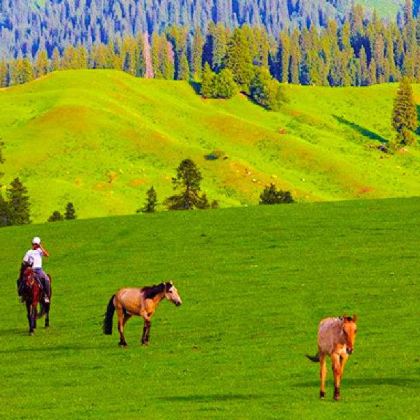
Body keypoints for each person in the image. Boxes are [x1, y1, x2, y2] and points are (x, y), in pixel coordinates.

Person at [22, 237, 51, 303]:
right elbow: (24, 261)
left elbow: (47, 255)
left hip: (39, 270)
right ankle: (22, 295)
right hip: (31, 269)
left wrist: (41, 247)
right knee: (23, 279)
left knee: (46, 279)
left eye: (36, 244)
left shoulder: (40, 251)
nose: (35, 246)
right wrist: (28, 265)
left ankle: (46, 295)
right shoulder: (29, 252)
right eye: (34, 244)